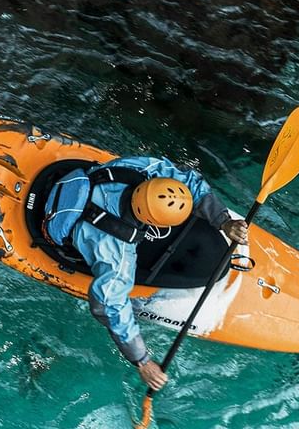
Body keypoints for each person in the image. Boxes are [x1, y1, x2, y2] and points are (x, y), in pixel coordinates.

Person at [42, 156, 248, 391]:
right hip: (68, 229)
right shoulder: (117, 257)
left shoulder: (134, 168)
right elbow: (108, 305)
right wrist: (142, 361)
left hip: (74, 181)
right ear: (154, 226)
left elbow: (186, 178)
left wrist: (224, 221)